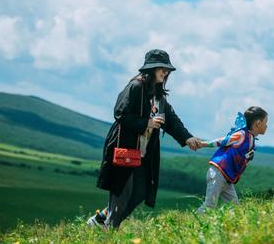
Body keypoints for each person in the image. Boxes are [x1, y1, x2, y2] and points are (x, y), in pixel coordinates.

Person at [87, 49, 203, 229]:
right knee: (122, 194)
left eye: (167, 70)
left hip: (143, 153)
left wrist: (187, 138)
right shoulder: (135, 87)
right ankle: (109, 229)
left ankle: (102, 220)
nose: (165, 73)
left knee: (140, 192)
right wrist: (147, 123)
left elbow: (171, 120)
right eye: (162, 69)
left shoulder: (159, 96)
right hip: (124, 148)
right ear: (151, 69)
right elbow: (120, 113)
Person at [197, 106, 268, 213]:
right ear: (258, 123)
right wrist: (204, 144)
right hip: (218, 173)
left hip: (227, 179)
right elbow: (223, 141)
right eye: (265, 122)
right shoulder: (242, 135)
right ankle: (195, 223)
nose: (266, 126)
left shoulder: (250, 139)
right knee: (210, 205)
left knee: (234, 209)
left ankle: (234, 228)